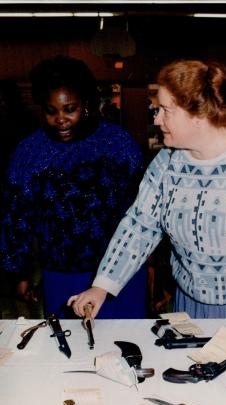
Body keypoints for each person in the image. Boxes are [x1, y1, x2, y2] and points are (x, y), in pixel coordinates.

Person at [68, 58, 226, 320]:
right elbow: (141, 224)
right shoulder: (167, 161)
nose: (156, 118)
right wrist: (101, 287)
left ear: (198, 117)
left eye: (165, 110)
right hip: (190, 298)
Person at [0, 55, 147, 318]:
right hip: (61, 273)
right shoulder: (30, 152)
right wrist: (19, 274)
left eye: (70, 109)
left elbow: (144, 212)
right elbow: (16, 219)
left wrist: (151, 269)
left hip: (120, 273)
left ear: (87, 104)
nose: (60, 119)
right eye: (50, 111)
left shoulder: (118, 143)